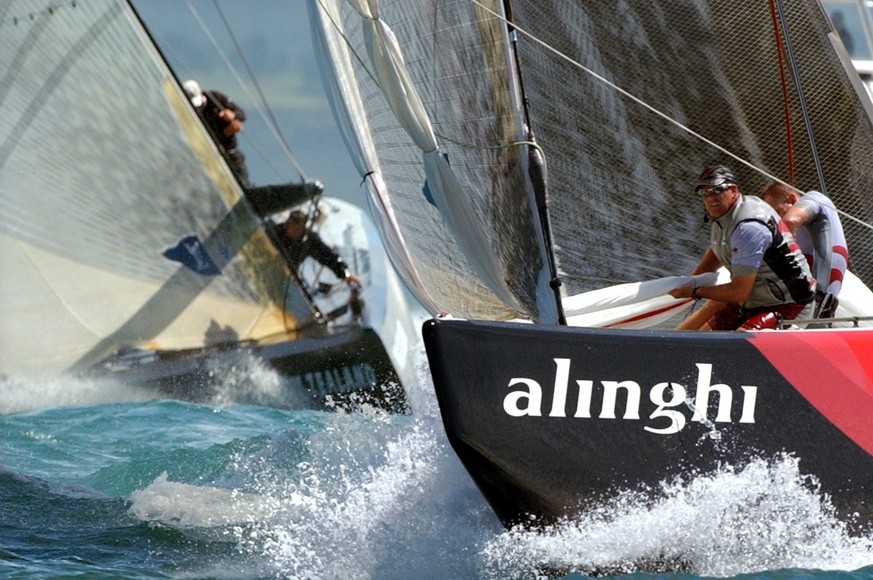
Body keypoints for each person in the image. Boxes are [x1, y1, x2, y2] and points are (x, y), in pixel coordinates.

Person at [669, 165, 816, 330]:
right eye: (705, 193)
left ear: (733, 190)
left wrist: (695, 291)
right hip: (754, 299)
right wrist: (689, 281)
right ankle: (664, 348)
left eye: (717, 190)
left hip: (790, 304)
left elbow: (739, 291)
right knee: (705, 335)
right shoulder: (724, 216)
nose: (711, 198)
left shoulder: (748, 227)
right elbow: (717, 250)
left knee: (739, 344)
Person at [761, 182, 848, 318]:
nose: (777, 220)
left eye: (777, 212)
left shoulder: (816, 199)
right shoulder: (799, 237)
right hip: (807, 307)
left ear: (791, 199)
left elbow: (790, 221)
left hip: (811, 306)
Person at [182, 80, 251, 187]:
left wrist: (233, 115)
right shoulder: (188, 113)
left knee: (244, 184)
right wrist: (226, 132)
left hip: (231, 154)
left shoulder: (215, 97)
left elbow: (242, 114)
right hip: (209, 157)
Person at [272, 209, 361, 287]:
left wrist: (345, 274)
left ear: (302, 228)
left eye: (297, 227)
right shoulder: (275, 231)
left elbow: (328, 256)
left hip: (285, 279)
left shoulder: (309, 241)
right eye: (291, 225)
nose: (293, 230)